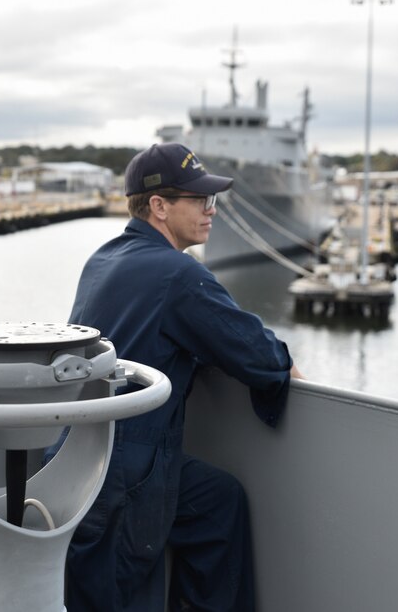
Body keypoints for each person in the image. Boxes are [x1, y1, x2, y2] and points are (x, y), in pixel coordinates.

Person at [55, 142, 302, 612]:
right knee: (116, 596)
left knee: (218, 502)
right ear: (160, 206)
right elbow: (260, 355)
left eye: (214, 201)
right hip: (128, 475)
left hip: (77, 453)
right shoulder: (178, 274)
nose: (212, 211)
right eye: (200, 201)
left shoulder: (104, 259)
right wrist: (286, 364)